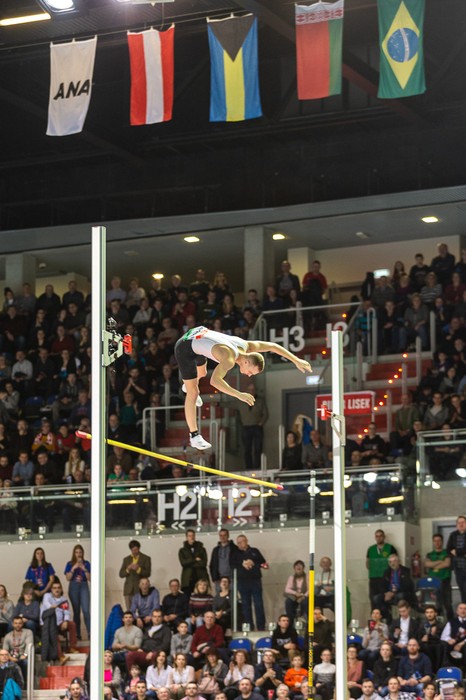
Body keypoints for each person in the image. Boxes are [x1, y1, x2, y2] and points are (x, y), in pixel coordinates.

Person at [174, 325, 311, 450]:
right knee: (193, 392)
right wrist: (239, 394)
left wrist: (296, 360)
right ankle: (194, 436)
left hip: (197, 334)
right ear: (246, 362)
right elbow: (215, 381)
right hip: (185, 347)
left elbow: (272, 346)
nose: (249, 375)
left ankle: (188, 385)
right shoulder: (229, 359)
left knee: (202, 373)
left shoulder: (246, 346)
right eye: (251, 371)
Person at [231, 534, 268, 632]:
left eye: (242, 542)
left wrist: (253, 562)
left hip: (255, 581)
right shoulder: (235, 553)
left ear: (246, 541)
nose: (240, 544)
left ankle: (261, 626)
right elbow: (232, 564)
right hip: (242, 582)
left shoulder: (255, 551)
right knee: (246, 605)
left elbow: (264, 563)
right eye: (238, 543)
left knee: (258, 604)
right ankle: (249, 626)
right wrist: (242, 563)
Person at [236, 383, 268, 471]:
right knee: (247, 448)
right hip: (246, 427)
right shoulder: (241, 401)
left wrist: (261, 423)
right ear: (247, 390)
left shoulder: (260, 401)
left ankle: (257, 467)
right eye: (249, 389)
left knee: (258, 448)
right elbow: (231, 404)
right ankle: (249, 467)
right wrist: (218, 404)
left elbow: (265, 414)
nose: (251, 391)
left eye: (253, 389)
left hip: (257, 427)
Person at [375, 555, 416, 622]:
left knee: (400, 596)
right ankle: (387, 618)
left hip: (402, 592)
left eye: (394, 561)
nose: (392, 563)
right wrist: (386, 593)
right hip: (389, 593)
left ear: (399, 561)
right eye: (390, 562)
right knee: (377, 598)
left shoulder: (406, 570)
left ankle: (401, 618)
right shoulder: (387, 572)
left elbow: (408, 585)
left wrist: (394, 593)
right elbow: (381, 585)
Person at [64, 543, 90, 641]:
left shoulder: (86, 563)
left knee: (86, 610)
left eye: (80, 552)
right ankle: (77, 634)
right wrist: (73, 568)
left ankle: (90, 632)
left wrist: (84, 568)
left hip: (83, 585)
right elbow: (68, 578)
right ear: (74, 553)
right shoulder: (70, 563)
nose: (78, 554)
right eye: (76, 552)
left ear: (82, 553)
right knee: (76, 611)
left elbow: (90, 578)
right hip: (73, 586)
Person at [366, 530, 398, 608]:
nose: (378, 538)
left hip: (386, 578)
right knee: (373, 599)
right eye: (377, 536)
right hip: (373, 578)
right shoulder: (371, 549)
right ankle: (374, 614)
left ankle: (386, 614)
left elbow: (395, 562)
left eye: (380, 536)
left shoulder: (390, 548)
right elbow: (367, 562)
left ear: (384, 537)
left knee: (385, 599)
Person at [424, 533, 453, 619]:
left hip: (445, 581)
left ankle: (451, 622)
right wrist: (440, 561)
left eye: (439, 540)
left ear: (442, 541)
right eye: (435, 541)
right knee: (435, 604)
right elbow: (426, 564)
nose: (437, 542)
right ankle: (437, 623)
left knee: (448, 604)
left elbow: (447, 564)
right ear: (433, 542)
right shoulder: (430, 554)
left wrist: (433, 565)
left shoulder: (447, 553)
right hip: (433, 583)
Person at [119, 540, 152, 610]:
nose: (135, 551)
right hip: (128, 589)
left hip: (141, 589)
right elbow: (121, 574)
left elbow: (148, 573)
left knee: (142, 610)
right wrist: (128, 569)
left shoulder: (146, 558)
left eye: (136, 550)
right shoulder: (126, 559)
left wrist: (138, 569)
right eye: (133, 550)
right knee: (129, 611)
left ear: (139, 548)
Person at [179, 530, 209, 597]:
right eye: (189, 536)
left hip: (200, 577)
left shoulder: (202, 549)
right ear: (186, 537)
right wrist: (195, 559)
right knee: (187, 599)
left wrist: (190, 563)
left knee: (202, 598)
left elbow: (203, 563)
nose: (191, 537)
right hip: (187, 580)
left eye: (193, 535)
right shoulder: (182, 550)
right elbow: (183, 563)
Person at [2, 615, 33, 680]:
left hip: (23, 656)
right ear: (12, 624)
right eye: (15, 623)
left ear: (22, 624)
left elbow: (29, 645)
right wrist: (10, 657)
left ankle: (25, 683)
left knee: (25, 663)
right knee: (5, 663)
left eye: (19, 623)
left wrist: (25, 655)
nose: (17, 625)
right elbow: (5, 650)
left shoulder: (28, 632)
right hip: (11, 657)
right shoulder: (8, 636)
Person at [440, 601, 466, 669]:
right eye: (461, 608)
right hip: (453, 644)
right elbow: (443, 636)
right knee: (445, 646)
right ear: (457, 611)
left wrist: (462, 643)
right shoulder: (451, 622)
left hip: (464, 644)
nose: (463, 611)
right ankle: (447, 668)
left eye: (465, 609)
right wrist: (449, 639)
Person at [446, 515, 466, 603]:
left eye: (463, 522)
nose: (461, 524)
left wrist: (456, 552)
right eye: (459, 523)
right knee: (462, 590)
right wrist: (462, 553)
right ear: (456, 525)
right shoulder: (453, 535)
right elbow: (448, 549)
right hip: (458, 568)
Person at [283, 560, 308, 624]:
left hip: (305, 596)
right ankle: (290, 621)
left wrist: (303, 596)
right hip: (295, 597)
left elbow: (310, 589)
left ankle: (305, 619)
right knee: (288, 601)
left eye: (300, 565)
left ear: (303, 568)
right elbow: (287, 589)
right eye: (297, 565)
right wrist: (295, 593)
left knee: (305, 602)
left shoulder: (308, 577)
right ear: (294, 568)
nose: (298, 567)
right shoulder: (291, 577)